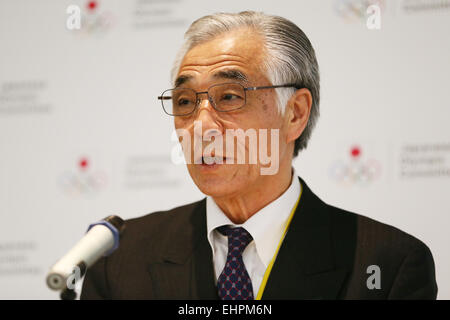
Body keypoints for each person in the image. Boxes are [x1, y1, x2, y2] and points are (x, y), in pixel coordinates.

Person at [81, 11, 437, 300]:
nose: (200, 126)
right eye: (186, 102)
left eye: (230, 96)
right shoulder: (119, 260)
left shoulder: (387, 263)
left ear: (294, 113)